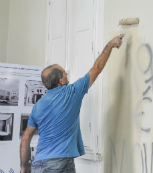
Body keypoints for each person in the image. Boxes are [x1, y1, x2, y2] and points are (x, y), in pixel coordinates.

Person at [20, 34, 125, 173]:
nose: (67, 74)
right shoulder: (71, 93)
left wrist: (24, 166)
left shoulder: (37, 106)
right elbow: (97, 68)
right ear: (60, 81)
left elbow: (25, 139)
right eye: (64, 73)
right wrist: (110, 45)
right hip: (60, 164)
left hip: (39, 164)